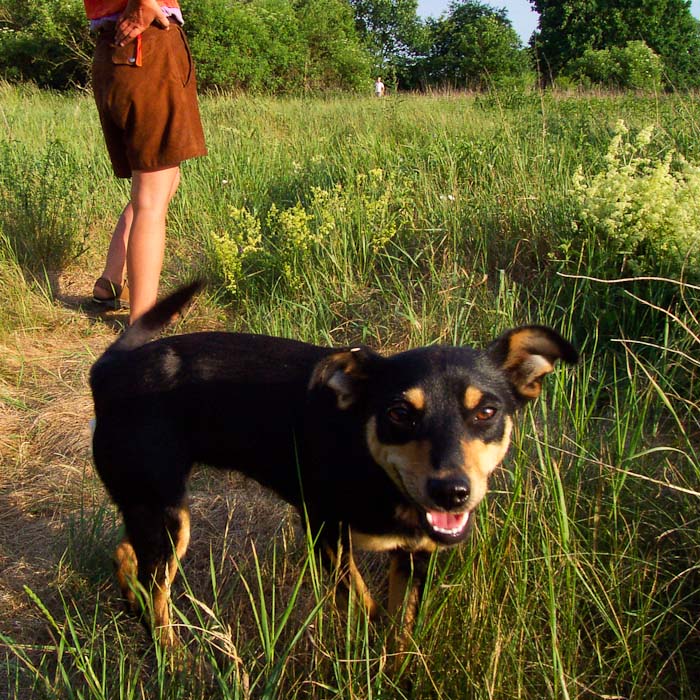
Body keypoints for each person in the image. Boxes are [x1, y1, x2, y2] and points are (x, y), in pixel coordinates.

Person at [85, 0, 207, 322]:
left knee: (158, 184)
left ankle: (111, 281)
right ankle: (143, 321)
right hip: (146, 49)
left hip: (114, 51)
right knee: (151, 200)